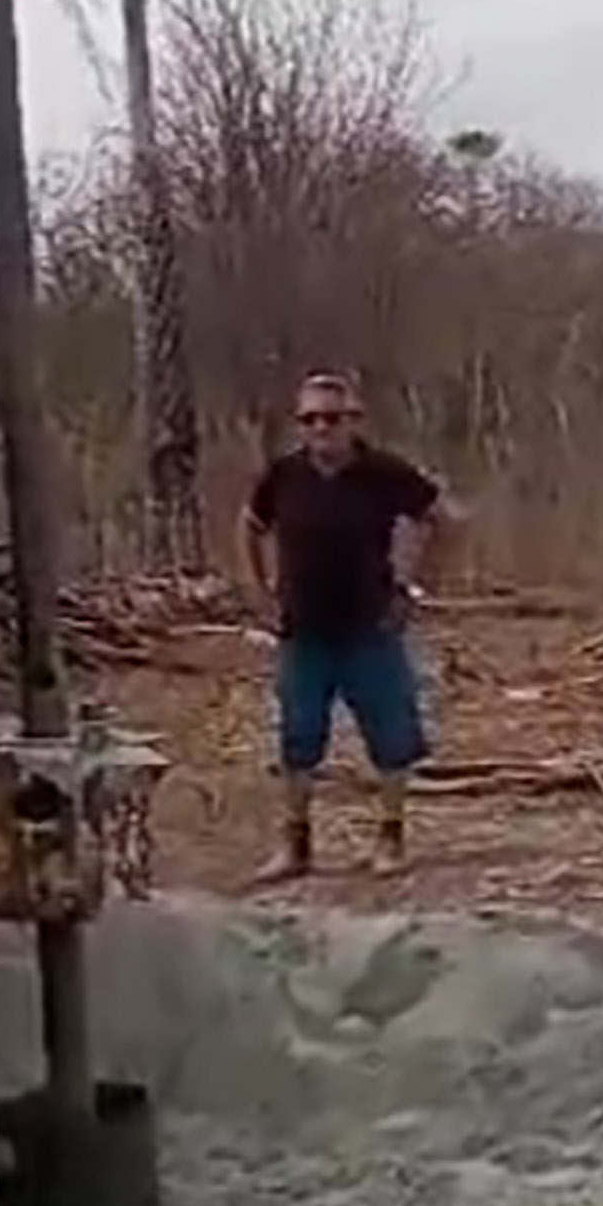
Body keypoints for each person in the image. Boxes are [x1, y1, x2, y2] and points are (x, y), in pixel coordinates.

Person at [240, 376, 445, 881]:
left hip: (370, 625)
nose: (321, 429)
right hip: (302, 629)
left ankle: (390, 838)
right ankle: (296, 845)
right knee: (298, 736)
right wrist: (258, 594)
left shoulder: (383, 473)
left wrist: (412, 589)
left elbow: (439, 518)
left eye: (332, 418)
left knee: (392, 734)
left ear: (353, 420)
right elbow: (248, 523)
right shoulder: (284, 476)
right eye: (309, 420)